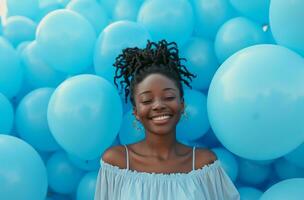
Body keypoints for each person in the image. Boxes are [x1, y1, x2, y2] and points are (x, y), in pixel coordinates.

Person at [94, 40, 240, 200]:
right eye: (147, 100)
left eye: (169, 97)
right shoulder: (117, 163)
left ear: (182, 104)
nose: (158, 105)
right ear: (136, 112)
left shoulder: (203, 165)